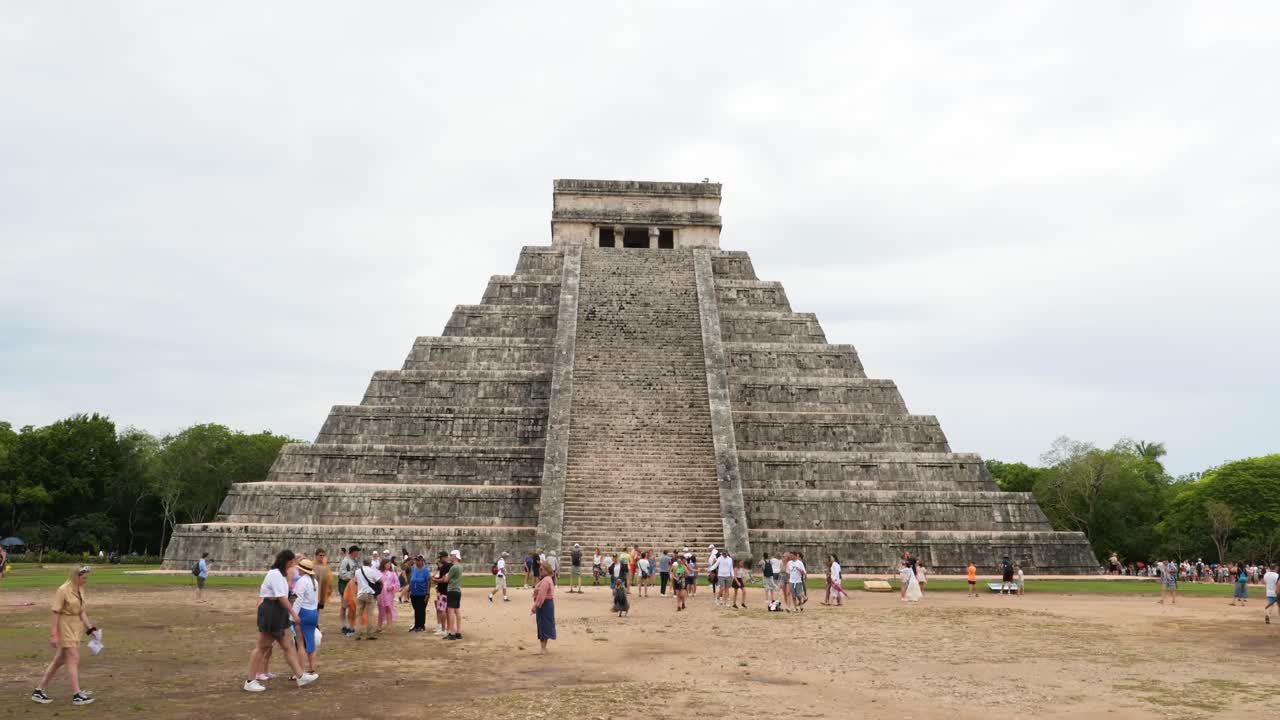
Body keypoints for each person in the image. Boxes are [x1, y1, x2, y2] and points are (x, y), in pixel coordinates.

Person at [244, 551, 316, 692]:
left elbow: (284, 596)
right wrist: (293, 613)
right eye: (292, 562)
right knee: (262, 646)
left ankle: (300, 676)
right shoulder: (275, 574)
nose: (294, 565)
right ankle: (250, 680)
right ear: (287, 562)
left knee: (288, 645)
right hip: (272, 611)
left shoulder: (281, 575)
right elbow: (281, 597)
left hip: (278, 611)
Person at [31, 565, 99, 705]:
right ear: (76, 577)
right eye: (84, 578)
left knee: (59, 660)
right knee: (73, 657)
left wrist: (90, 628)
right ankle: (77, 694)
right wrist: (54, 635)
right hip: (64, 626)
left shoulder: (80, 588)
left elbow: (81, 611)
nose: (86, 581)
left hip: (75, 627)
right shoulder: (63, 590)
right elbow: (55, 612)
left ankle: (39, 690)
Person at [294, 559, 321, 675]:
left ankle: (300, 671)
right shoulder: (314, 581)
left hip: (304, 612)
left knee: (300, 643)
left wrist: (293, 615)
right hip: (313, 612)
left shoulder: (301, 581)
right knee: (311, 642)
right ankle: (312, 668)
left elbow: (298, 600)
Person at [353, 557, 381, 640]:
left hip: (360, 594)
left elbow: (355, 582)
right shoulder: (372, 571)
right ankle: (369, 634)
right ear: (370, 563)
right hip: (369, 593)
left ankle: (357, 634)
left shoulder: (357, 571)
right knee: (370, 615)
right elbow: (380, 581)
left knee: (359, 615)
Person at [532, 561, 557, 653]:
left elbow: (541, 596)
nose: (540, 570)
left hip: (544, 605)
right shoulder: (548, 579)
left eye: (541, 569)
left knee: (543, 625)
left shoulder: (546, 581)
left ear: (546, 570)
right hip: (547, 605)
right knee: (546, 625)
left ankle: (542, 648)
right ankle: (544, 647)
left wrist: (535, 606)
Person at [337, 546, 359, 636]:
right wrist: (352, 576)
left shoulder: (355, 561)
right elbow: (342, 574)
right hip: (345, 586)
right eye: (357, 552)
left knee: (352, 606)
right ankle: (343, 625)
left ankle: (351, 626)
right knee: (344, 606)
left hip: (352, 586)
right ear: (353, 552)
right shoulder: (345, 561)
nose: (358, 553)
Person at [444, 549, 464, 641]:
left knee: (451, 612)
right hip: (458, 590)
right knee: (457, 610)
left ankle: (452, 632)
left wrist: (446, 576)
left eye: (451, 555)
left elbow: (446, 580)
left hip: (452, 590)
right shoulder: (460, 566)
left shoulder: (453, 567)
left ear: (455, 556)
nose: (450, 557)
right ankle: (458, 632)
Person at [408, 555, 431, 632]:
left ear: (422, 561)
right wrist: (409, 590)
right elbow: (411, 580)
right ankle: (416, 625)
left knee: (421, 609)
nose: (416, 562)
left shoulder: (425, 570)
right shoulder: (413, 569)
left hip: (422, 593)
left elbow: (428, 582)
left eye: (418, 560)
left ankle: (421, 625)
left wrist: (427, 593)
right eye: (416, 560)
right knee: (416, 610)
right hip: (414, 593)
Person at [378, 558, 400, 631]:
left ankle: (389, 625)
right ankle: (379, 626)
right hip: (380, 593)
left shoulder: (392, 573)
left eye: (389, 564)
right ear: (383, 564)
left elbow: (397, 583)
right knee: (381, 609)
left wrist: (392, 587)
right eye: (387, 564)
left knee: (388, 608)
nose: (388, 565)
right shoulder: (378, 573)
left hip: (389, 593)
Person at [434, 552, 451, 635]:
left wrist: (435, 580)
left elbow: (444, 579)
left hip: (443, 591)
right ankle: (448, 628)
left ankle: (443, 629)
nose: (439, 559)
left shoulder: (445, 566)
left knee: (442, 609)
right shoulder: (450, 566)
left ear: (444, 557)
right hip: (448, 591)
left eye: (440, 557)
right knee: (447, 610)